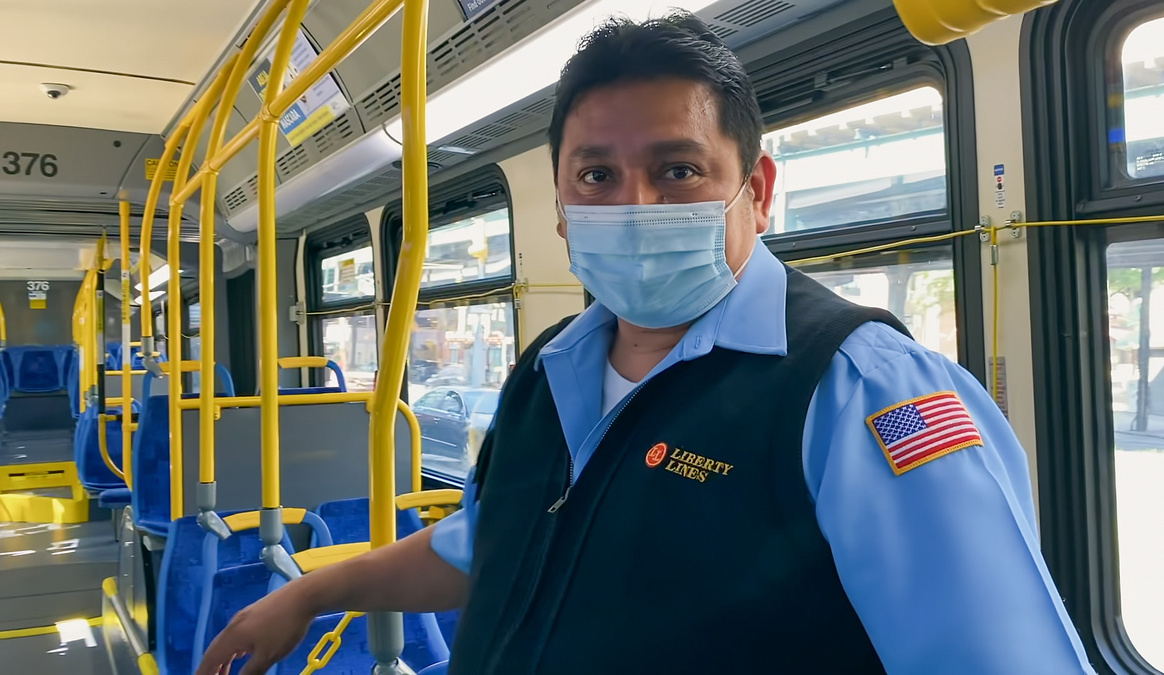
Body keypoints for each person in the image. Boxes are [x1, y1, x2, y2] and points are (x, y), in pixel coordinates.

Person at [198, 13, 1096, 675]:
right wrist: (311, 592)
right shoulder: (547, 369)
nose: (635, 205)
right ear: (560, 204)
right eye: (597, 174)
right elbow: (484, 547)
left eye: (678, 169)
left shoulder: (859, 389)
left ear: (757, 189)